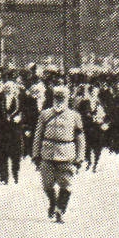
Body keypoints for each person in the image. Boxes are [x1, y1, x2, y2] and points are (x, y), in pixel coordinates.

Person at [32, 83, 86, 223]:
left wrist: (80, 157)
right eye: (57, 97)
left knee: (66, 184)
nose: (59, 100)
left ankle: (60, 210)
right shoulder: (45, 114)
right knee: (47, 184)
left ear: (67, 98)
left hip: (66, 154)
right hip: (48, 153)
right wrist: (36, 154)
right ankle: (52, 202)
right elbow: (38, 135)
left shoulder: (74, 116)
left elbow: (80, 138)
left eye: (62, 98)